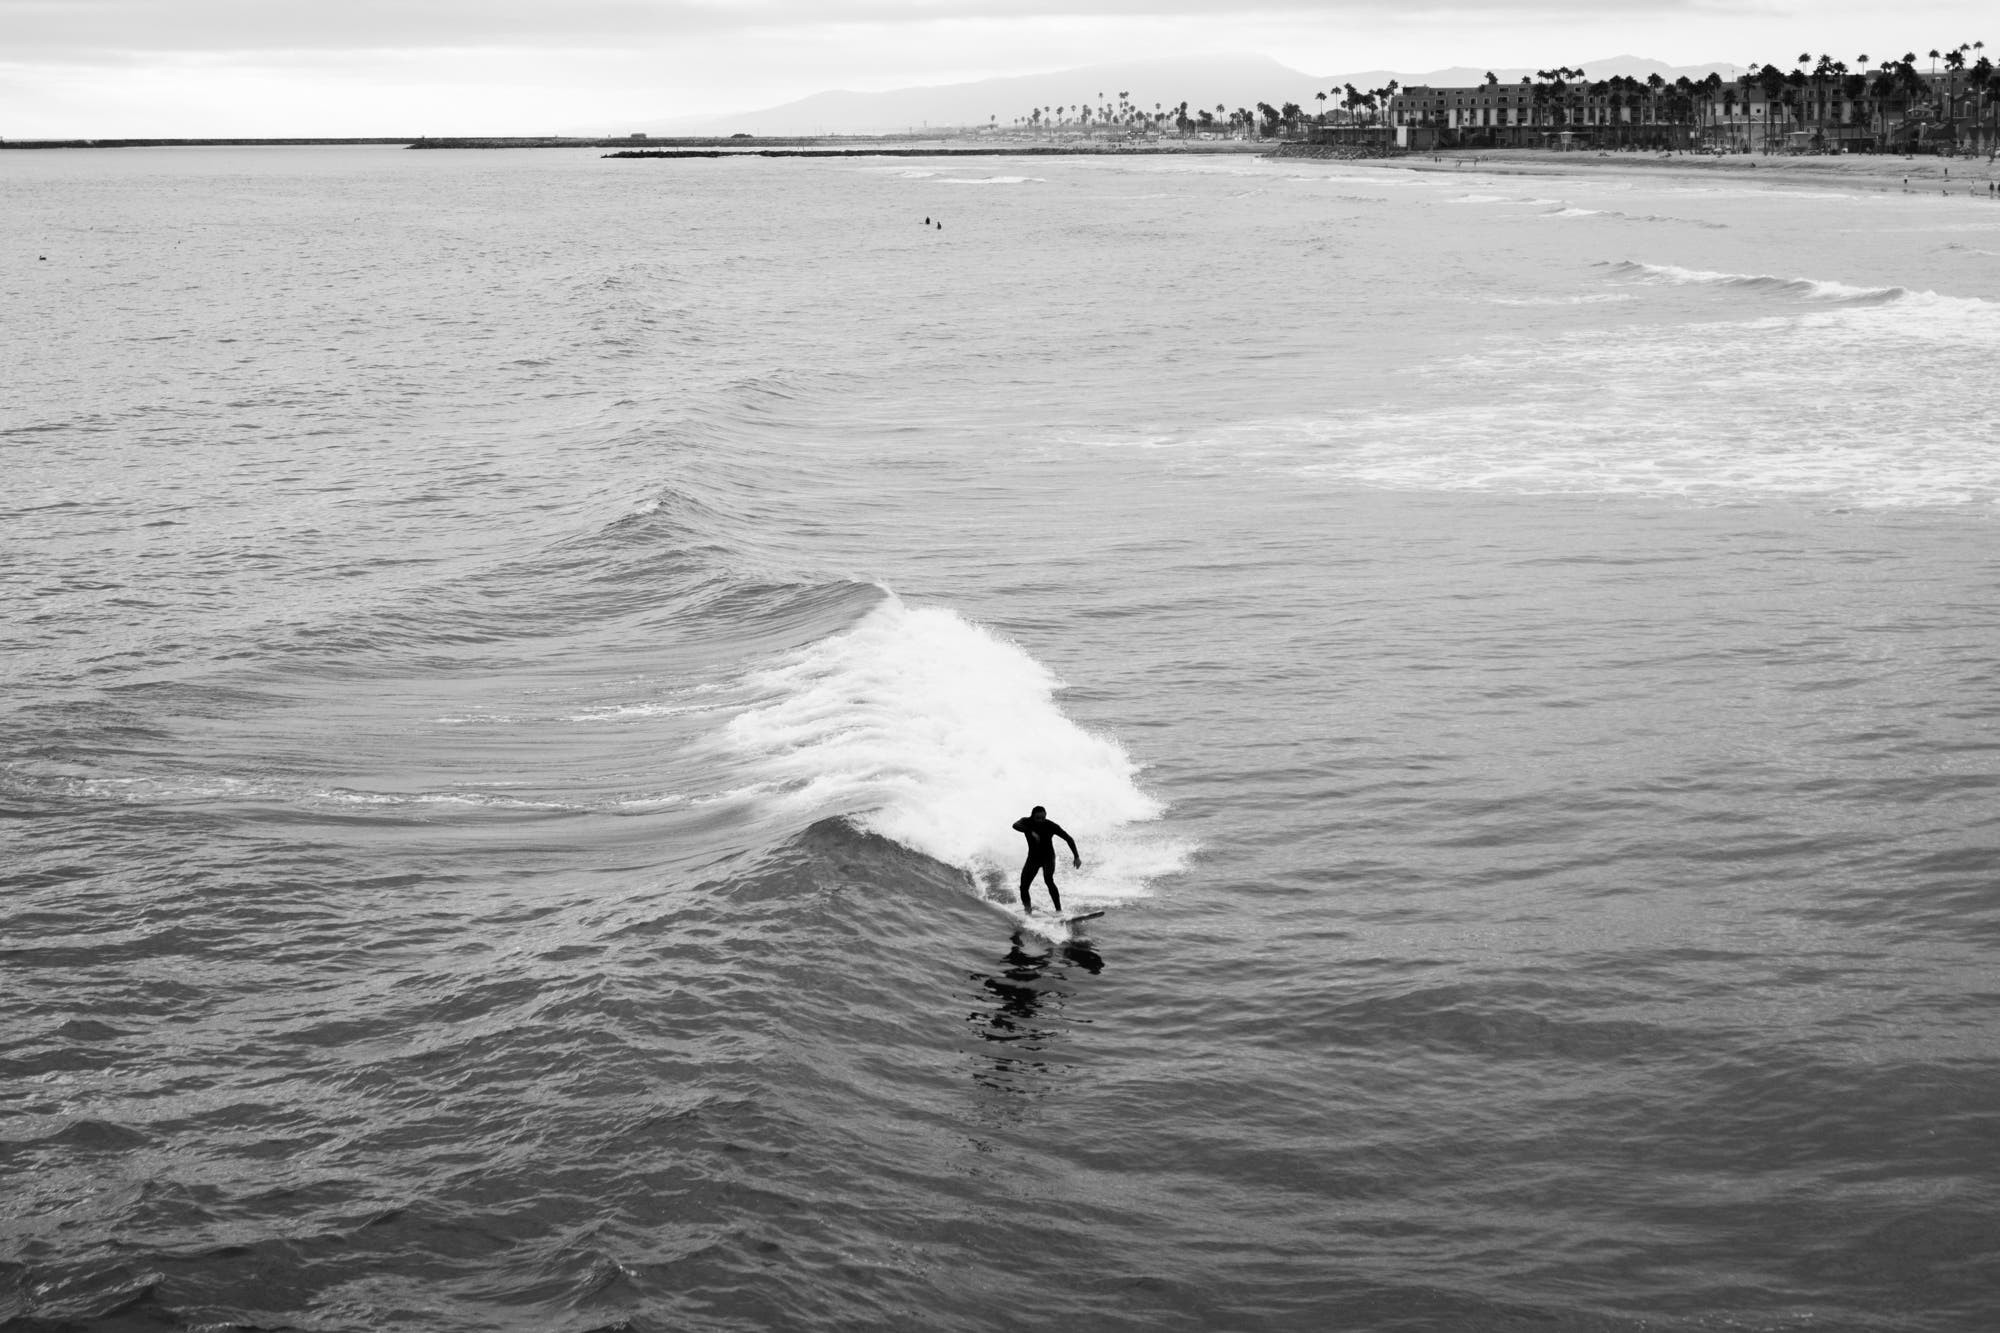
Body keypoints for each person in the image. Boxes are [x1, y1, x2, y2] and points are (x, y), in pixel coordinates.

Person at [1011, 805, 1080, 914]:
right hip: (1033, 858)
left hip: (1048, 857)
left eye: (1043, 818)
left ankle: (1059, 911)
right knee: (1024, 886)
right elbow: (1015, 825)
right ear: (1032, 816)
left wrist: (1076, 856)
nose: (1041, 820)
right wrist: (1030, 831)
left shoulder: (1050, 825)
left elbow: (1068, 838)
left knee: (1048, 880)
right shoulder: (1026, 822)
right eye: (1038, 818)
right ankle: (1028, 911)